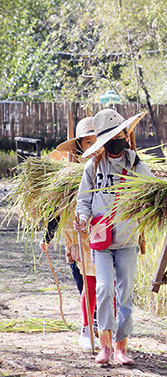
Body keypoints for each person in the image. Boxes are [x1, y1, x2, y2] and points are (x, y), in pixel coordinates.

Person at [74, 108, 153, 365]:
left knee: (125, 293)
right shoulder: (93, 166)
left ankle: (122, 347)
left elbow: (152, 196)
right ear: (102, 142)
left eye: (118, 135)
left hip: (128, 240)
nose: (114, 142)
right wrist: (82, 219)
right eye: (108, 138)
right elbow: (84, 200)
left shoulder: (138, 165)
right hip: (100, 239)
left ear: (125, 133)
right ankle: (105, 347)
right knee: (105, 288)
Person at [40, 117, 100, 349]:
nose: (93, 146)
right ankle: (88, 324)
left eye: (98, 141)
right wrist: (48, 236)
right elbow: (55, 210)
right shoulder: (67, 175)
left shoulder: (107, 168)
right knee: (83, 281)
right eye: (88, 142)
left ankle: (97, 323)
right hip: (75, 237)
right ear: (79, 147)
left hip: (102, 236)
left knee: (100, 283)